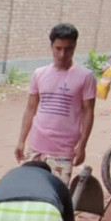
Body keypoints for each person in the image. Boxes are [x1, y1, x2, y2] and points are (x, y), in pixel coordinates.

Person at [16, 23, 98, 184]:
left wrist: (82, 145)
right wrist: (21, 141)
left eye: (68, 49)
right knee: (31, 191)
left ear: (75, 47)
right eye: (58, 48)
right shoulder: (39, 74)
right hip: (36, 146)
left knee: (57, 196)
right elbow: (31, 108)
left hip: (64, 150)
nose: (62, 54)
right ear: (51, 46)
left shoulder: (86, 77)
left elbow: (89, 112)